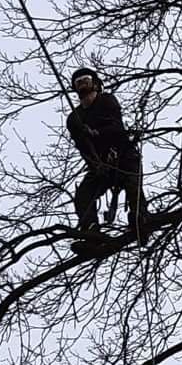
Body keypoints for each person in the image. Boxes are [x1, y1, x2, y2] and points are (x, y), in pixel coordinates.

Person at [66, 66, 142, 249]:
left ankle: (140, 219)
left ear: (95, 83)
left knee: (133, 186)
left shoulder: (107, 100)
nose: (82, 84)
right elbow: (82, 147)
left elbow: (116, 127)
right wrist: (94, 164)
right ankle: (91, 231)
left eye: (86, 80)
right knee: (84, 193)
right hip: (99, 164)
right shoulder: (74, 118)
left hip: (123, 154)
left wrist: (96, 133)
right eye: (78, 82)